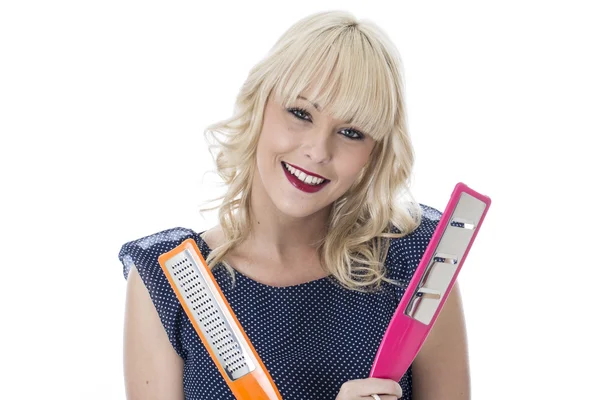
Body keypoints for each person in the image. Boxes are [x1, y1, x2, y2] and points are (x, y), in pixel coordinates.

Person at [119, 10, 469, 400]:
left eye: (351, 132)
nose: (318, 151)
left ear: (374, 153)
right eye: (300, 113)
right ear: (259, 103)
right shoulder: (170, 279)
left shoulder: (418, 265)